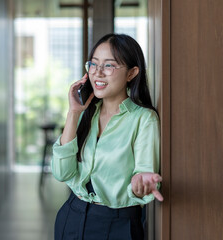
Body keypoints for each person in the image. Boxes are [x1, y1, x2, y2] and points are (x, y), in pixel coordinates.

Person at [51, 33, 163, 240]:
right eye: (93, 65)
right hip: (72, 216)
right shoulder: (86, 113)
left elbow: (143, 176)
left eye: (109, 66)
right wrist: (73, 113)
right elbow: (62, 173)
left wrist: (142, 184)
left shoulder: (144, 119)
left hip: (117, 224)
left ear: (132, 73)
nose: (98, 73)